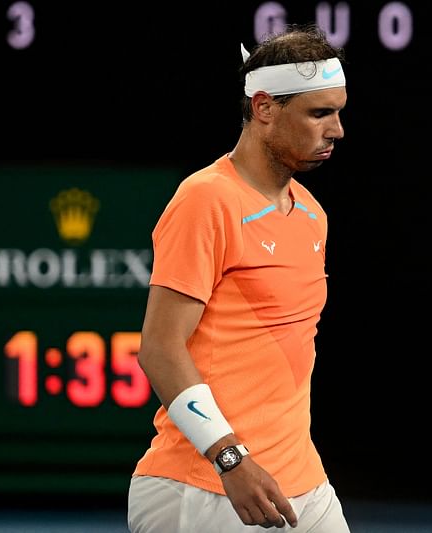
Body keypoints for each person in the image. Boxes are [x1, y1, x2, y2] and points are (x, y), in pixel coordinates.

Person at [127, 23, 350, 532]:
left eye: (338, 112)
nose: (336, 130)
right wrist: (230, 458)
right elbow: (161, 347)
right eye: (320, 113)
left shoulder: (313, 215)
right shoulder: (206, 199)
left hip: (302, 487)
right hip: (205, 487)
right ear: (265, 108)